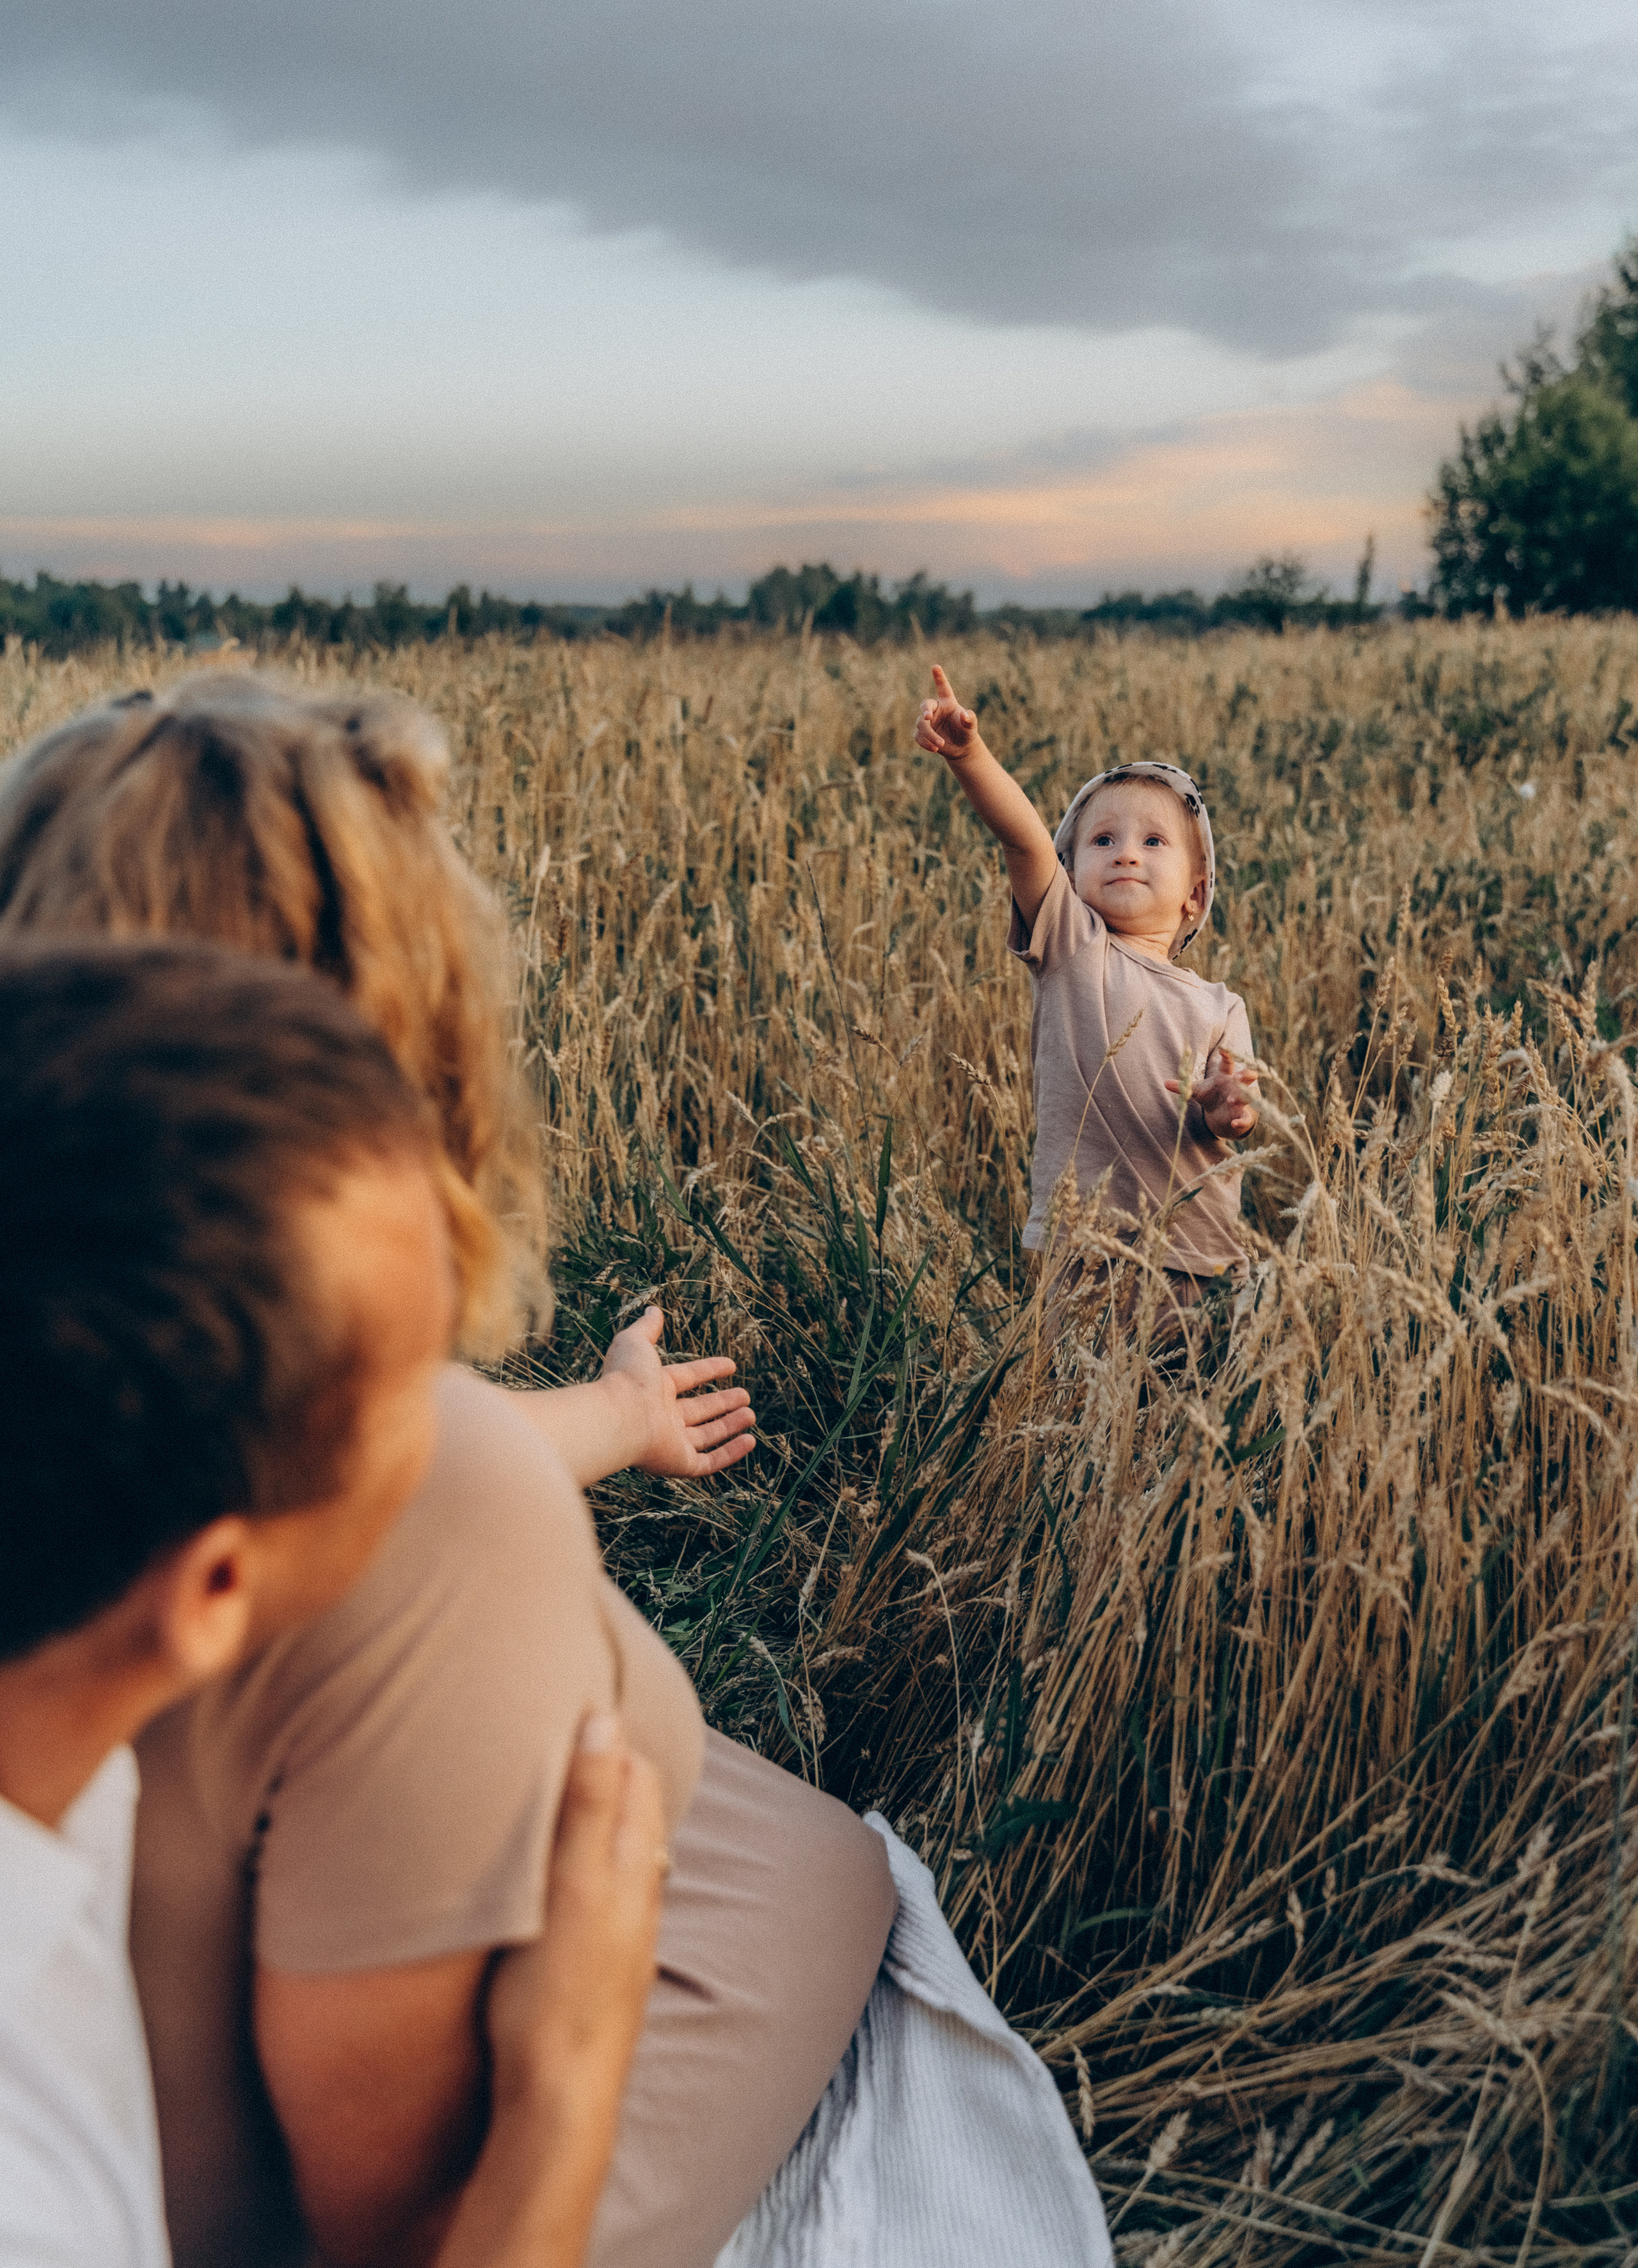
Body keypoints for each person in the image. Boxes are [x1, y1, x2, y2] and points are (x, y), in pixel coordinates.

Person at [0, 677, 898, 2268]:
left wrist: (614, 1418)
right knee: (804, 1866)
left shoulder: (110, 1384)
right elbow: (395, 2233)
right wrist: (562, 2082)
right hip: (368, 2173)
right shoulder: (415, 1491)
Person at [0, 939, 667, 2268]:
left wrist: (611, 1417)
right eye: (415, 1398)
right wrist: (565, 2087)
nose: (455, 1424)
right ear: (214, 1590)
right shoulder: (40, 2199)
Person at [914, 664, 1259, 1290]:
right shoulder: (1072, 945)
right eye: (1102, 839)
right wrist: (969, 756)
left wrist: (1226, 1107)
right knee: (1070, 1388)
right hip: (1082, 1248)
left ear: (1196, 894)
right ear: (1069, 877)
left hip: (1195, 1253)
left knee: (1186, 1389)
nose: (1125, 851)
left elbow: (1237, 1121)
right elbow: (1024, 843)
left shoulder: (1219, 1006)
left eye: (1154, 842)